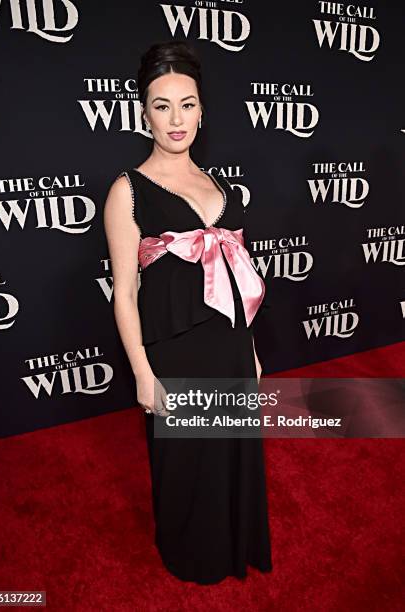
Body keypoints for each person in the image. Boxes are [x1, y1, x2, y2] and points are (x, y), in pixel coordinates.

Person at [104, 40, 272, 585]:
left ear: (202, 110)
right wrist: (142, 373)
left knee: (230, 454)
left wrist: (250, 352)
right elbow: (124, 293)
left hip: (227, 348)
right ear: (143, 113)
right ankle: (189, 554)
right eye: (162, 105)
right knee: (184, 466)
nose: (176, 118)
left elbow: (235, 282)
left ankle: (230, 543)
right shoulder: (128, 191)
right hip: (173, 353)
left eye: (187, 103)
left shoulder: (221, 187)